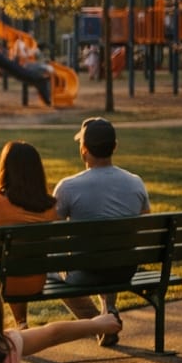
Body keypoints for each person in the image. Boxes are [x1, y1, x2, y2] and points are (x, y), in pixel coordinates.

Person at [52, 117, 150, 346]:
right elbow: (144, 224)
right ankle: (109, 310)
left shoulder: (68, 186)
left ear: (84, 149)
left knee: (52, 271)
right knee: (112, 251)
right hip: (124, 270)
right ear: (114, 146)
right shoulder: (136, 182)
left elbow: (50, 231)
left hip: (84, 273)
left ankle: (99, 323)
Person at [0, 141, 58, 329]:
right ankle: (21, 323)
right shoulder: (50, 205)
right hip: (37, 281)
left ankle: (14, 325)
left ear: (4, 168)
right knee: (15, 263)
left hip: (4, 283)